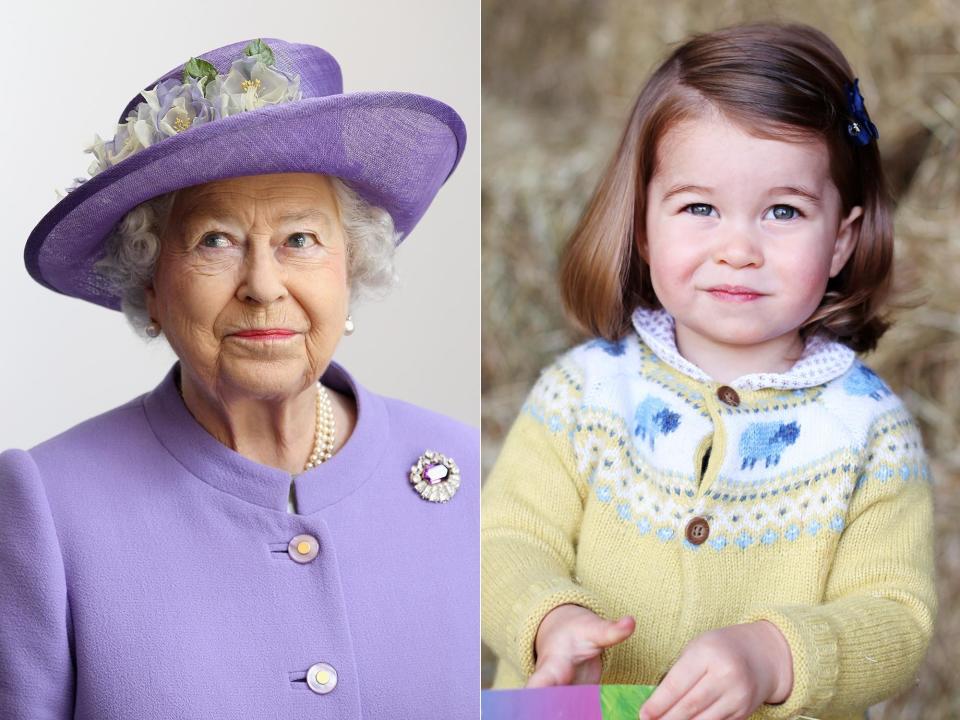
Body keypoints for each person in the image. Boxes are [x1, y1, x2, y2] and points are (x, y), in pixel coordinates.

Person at [1, 38, 477, 719]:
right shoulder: (47, 507)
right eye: (215, 240)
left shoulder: (463, 472)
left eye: (301, 240)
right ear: (153, 287)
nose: (262, 285)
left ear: (352, 265)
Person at [481, 22, 935, 720]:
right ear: (642, 224)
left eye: (783, 211)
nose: (738, 249)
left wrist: (774, 653)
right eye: (700, 208)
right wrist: (549, 619)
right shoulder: (583, 394)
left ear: (841, 239)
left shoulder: (869, 432)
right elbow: (504, 540)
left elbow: (896, 616)